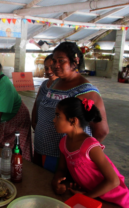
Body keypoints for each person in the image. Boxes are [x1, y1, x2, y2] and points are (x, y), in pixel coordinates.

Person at [34, 42, 109, 172]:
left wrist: (81, 154)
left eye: (61, 61)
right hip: (42, 149)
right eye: (54, 61)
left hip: (65, 158)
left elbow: (101, 131)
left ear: (75, 61)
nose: (55, 65)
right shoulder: (55, 83)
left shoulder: (86, 90)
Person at [52, 97, 129, 207]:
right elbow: (61, 169)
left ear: (73, 120)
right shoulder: (64, 142)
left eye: (58, 116)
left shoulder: (90, 146)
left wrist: (85, 197)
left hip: (116, 199)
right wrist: (56, 181)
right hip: (94, 195)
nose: (54, 120)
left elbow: (113, 181)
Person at [31, 54, 58, 130]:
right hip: (40, 127)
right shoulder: (44, 84)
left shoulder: (63, 88)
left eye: (52, 68)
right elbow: (36, 104)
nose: (49, 71)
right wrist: (33, 121)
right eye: (46, 68)